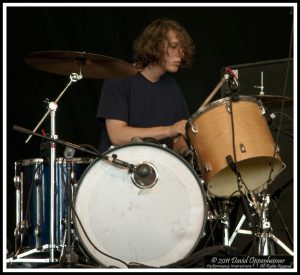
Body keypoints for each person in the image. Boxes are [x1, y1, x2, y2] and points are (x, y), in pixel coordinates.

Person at [96, 18, 195, 155]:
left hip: (159, 168)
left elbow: (178, 138)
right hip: (119, 168)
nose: (181, 53)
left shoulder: (172, 86)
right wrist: (168, 130)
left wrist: (186, 151)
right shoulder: (119, 79)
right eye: (173, 47)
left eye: (182, 49)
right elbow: (117, 136)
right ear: (155, 45)